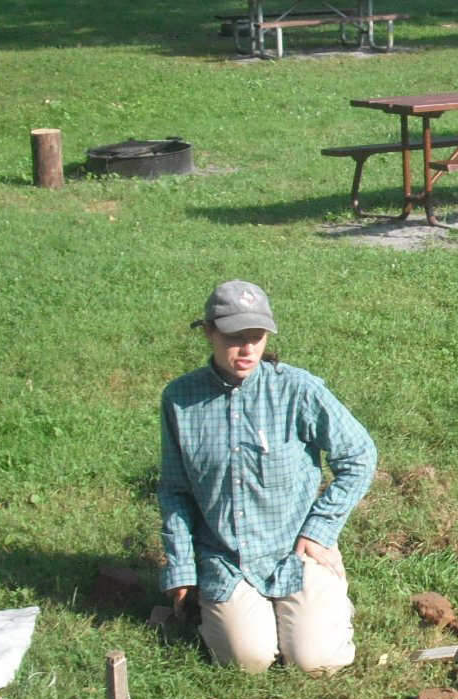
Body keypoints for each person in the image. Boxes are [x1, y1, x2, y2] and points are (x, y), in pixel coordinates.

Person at [159, 280, 377, 673]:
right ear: (208, 331)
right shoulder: (180, 399)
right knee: (248, 660)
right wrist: (181, 568)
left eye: (256, 337)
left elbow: (360, 454)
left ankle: (326, 599)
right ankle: (223, 610)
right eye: (233, 337)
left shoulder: (298, 389)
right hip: (227, 556)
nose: (246, 349)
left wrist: (320, 529)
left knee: (317, 662)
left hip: (296, 549)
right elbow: (175, 491)